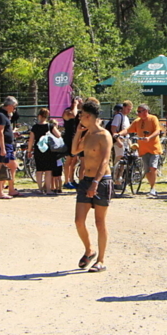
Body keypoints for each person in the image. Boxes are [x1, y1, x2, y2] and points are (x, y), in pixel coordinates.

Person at [71, 98, 112, 273]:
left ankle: (101, 260)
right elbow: (74, 151)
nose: (79, 118)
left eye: (81, 115)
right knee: (79, 221)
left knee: (100, 222)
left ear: (88, 116)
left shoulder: (104, 135)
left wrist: (95, 183)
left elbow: (104, 161)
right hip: (86, 180)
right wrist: (78, 133)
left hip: (101, 181)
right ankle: (89, 250)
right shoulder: (87, 134)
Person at [120, 104, 162, 197]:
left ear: (145, 111)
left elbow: (157, 131)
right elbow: (128, 130)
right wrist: (118, 134)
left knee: (153, 167)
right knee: (147, 170)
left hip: (154, 148)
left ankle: (153, 188)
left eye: (139, 111)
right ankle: (151, 187)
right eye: (137, 111)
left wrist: (150, 137)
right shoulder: (137, 121)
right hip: (143, 149)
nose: (138, 113)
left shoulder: (153, 118)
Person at [0, 96, 19, 199]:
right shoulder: (0, 116)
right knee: (2, 166)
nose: (15, 109)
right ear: (10, 105)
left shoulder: (5, 116)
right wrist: (2, 148)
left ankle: (11, 189)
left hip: (8, 144)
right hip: (4, 145)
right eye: (14, 106)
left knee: (13, 165)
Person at [28, 107, 55, 195]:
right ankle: (48, 189)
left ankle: (40, 189)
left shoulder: (35, 127)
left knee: (39, 170)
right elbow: (58, 135)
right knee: (48, 170)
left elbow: (31, 140)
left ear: (39, 116)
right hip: (48, 149)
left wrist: (29, 151)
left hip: (38, 149)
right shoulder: (50, 126)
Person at [62, 98, 81, 189]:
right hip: (69, 138)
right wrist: (75, 104)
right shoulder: (68, 111)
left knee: (75, 160)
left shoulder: (79, 112)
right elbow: (73, 115)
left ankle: (72, 179)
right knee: (69, 160)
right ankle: (66, 181)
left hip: (76, 138)